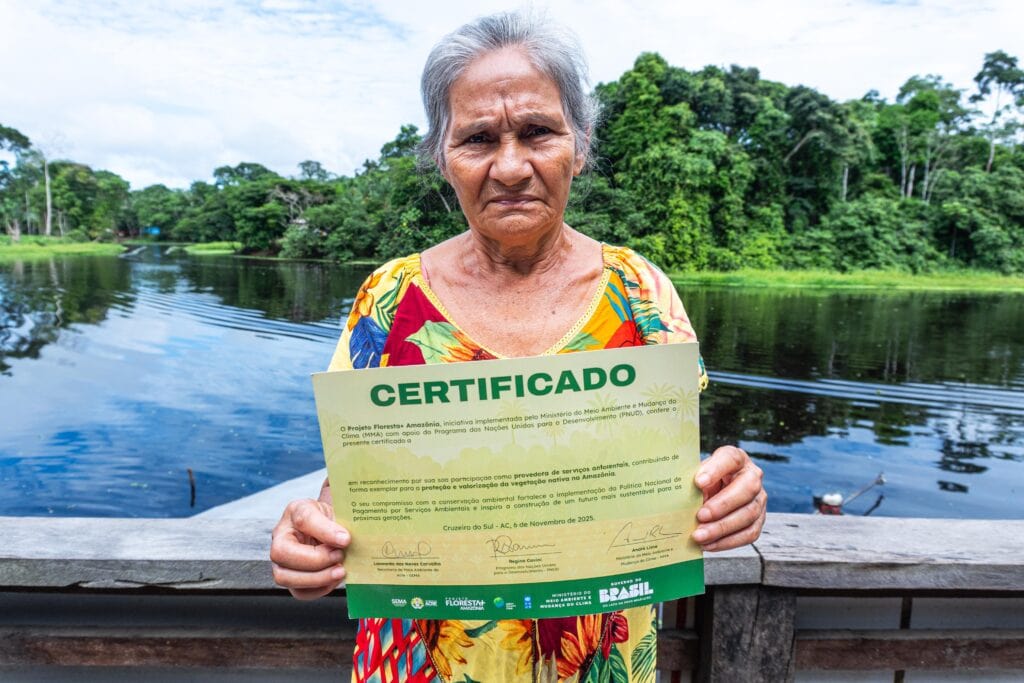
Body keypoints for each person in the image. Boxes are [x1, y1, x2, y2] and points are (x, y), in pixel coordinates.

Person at [271, 11, 766, 682]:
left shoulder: (641, 292)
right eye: (478, 138)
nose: (510, 166)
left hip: (596, 663)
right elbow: (346, 497)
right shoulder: (388, 302)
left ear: (580, 145)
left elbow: (669, 472)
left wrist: (732, 494)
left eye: (538, 131)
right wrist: (309, 544)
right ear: (442, 156)